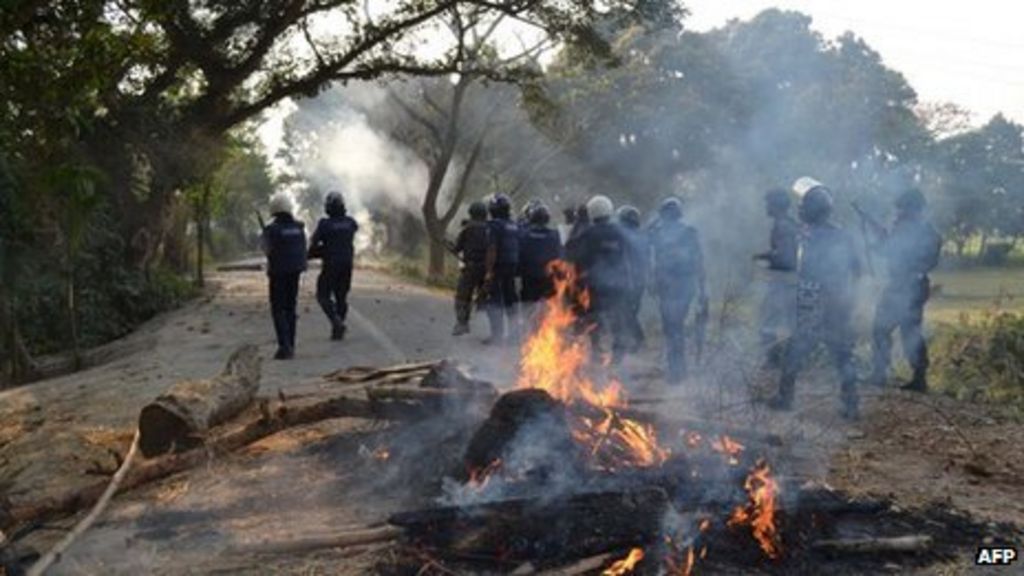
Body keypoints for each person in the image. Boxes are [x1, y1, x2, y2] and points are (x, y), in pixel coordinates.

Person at [772, 180, 861, 419]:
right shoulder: (843, 235)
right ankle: (851, 404)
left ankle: (784, 397)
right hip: (840, 298)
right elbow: (857, 269)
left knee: (797, 348)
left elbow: (800, 268)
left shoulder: (810, 237)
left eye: (803, 206)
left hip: (814, 297)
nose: (799, 210)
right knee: (842, 352)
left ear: (811, 210)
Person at [869, 188, 942, 392]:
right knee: (892, 330)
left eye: (902, 208)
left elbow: (904, 256)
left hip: (908, 286)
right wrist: (882, 238)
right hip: (903, 285)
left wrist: (885, 239)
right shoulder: (917, 230)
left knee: (900, 331)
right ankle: (887, 373)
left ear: (914, 209)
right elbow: (888, 252)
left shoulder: (919, 232)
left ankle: (904, 376)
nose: (898, 212)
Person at [649, 197, 706, 383]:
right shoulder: (689, 232)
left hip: (671, 287)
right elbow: (699, 262)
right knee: (675, 327)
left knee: (672, 328)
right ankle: (677, 369)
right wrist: (702, 290)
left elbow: (697, 261)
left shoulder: (658, 232)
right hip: (682, 287)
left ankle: (676, 372)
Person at [570, 195, 630, 363]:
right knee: (617, 316)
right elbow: (626, 257)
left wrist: (579, 282)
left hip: (595, 285)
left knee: (594, 317)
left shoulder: (588, 233)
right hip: (618, 283)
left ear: (592, 212)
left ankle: (597, 351)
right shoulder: (619, 232)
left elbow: (579, 258)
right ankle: (618, 352)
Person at [752, 188, 800, 368]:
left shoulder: (783, 225)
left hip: (784, 282)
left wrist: (764, 257)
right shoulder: (789, 223)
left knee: (768, 321)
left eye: (768, 203)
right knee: (790, 323)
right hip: (790, 281)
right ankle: (791, 360)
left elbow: (785, 256)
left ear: (776, 205)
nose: (766, 206)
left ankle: (773, 360)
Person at [261, 193, 307, 360]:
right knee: (291, 307)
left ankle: (284, 345)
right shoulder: (299, 227)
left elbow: (266, 250)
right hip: (295, 272)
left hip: (278, 273)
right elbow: (303, 249)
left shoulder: (271, 229)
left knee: (278, 308)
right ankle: (291, 344)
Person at [307, 191, 357, 341]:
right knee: (341, 297)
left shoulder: (324, 224)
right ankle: (338, 326)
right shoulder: (351, 223)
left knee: (322, 295)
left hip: (331, 265)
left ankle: (336, 322)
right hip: (347, 264)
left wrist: (310, 255)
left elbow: (314, 243)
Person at [484, 194, 521, 345]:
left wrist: (488, 271)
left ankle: (497, 336)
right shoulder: (514, 225)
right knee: (510, 301)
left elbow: (492, 249)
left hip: (499, 267)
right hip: (513, 267)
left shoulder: (494, 225)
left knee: (494, 301)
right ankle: (514, 336)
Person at [451, 201, 492, 336]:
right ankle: (490, 329)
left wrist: (450, 246)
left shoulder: (467, 229)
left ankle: (462, 324)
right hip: (487, 269)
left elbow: (457, 248)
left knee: (462, 296)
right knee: (485, 299)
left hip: (471, 268)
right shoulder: (490, 229)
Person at [617, 205, 648, 352]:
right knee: (630, 312)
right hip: (639, 280)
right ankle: (633, 342)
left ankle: (638, 340)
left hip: (628, 280)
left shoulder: (623, 236)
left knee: (626, 312)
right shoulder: (642, 236)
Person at [518, 203, 563, 305]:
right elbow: (559, 255)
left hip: (529, 278)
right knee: (550, 308)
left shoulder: (524, 235)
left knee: (529, 309)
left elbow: (521, 255)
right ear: (547, 219)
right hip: (548, 278)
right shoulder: (554, 235)